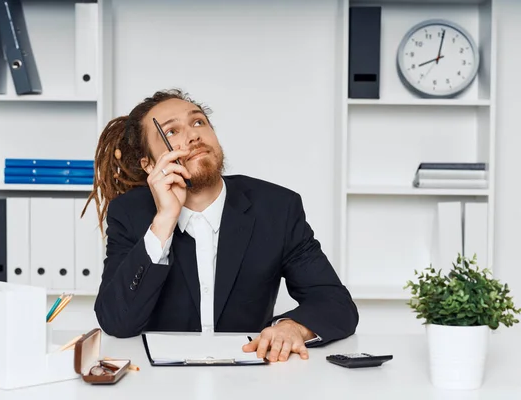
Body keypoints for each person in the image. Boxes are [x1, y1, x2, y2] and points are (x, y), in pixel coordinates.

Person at [83, 89, 359, 363]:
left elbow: (337, 304)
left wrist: (292, 327)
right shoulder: (130, 214)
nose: (193, 135)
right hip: (160, 383)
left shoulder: (277, 208)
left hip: (249, 380)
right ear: (149, 164)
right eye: (171, 132)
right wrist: (165, 219)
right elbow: (117, 321)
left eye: (198, 122)